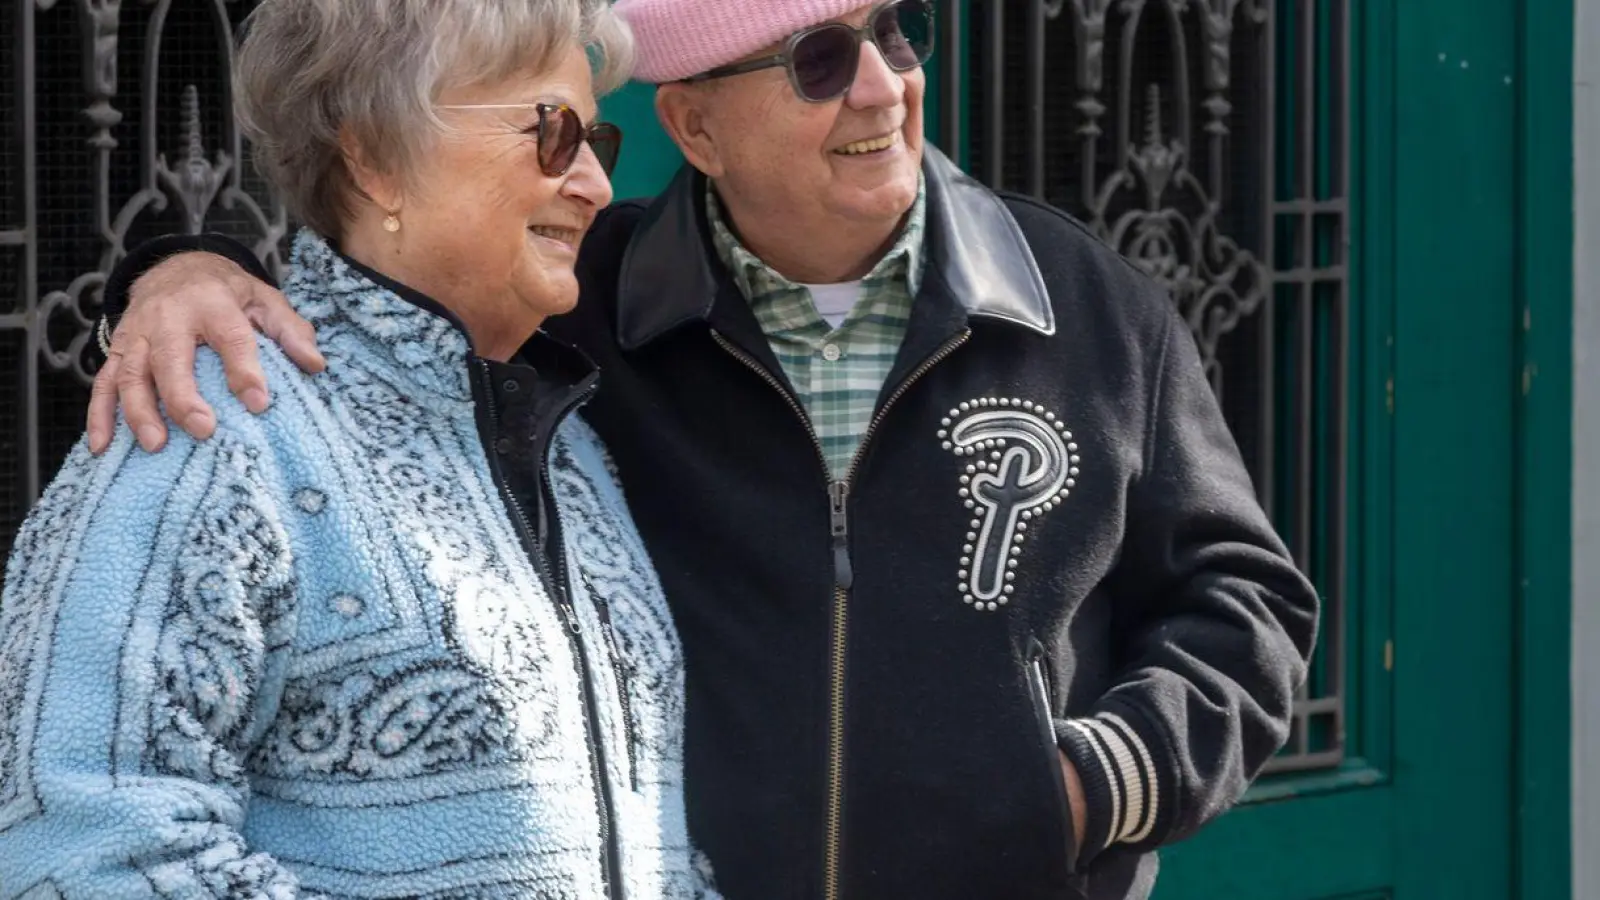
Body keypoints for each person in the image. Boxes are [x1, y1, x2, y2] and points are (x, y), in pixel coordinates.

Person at [83, 1, 1321, 898]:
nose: (882, 88)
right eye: (820, 60)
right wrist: (187, 268)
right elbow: (388, 285)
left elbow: (1242, 599)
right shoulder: (582, 315)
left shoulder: (1084, 305)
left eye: (896, 33)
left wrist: (1093, 786)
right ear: (694, 125)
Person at [0, 1, 720, 897]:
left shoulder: (575, 459)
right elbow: (83, 843)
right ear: (374, 157)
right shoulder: (211, 426)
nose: (594, 186)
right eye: (551, 132)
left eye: (598, 145)